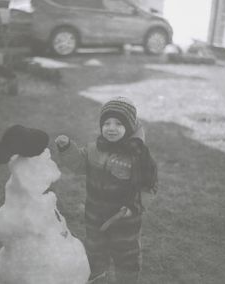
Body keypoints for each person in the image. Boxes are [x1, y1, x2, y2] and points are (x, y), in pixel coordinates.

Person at [54, 97, 158, 284]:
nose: (111, 128)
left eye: (119, 124)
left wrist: (134, 207)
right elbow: (78, 165)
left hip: (124, 221)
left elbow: (149, 186)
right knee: (94, 252)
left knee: (126, 257)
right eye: (107, 123)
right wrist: (67, 148)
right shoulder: (94, 149)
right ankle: (96, 277)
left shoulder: (138, 155)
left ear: (130, 127)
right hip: (95, 216)